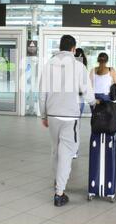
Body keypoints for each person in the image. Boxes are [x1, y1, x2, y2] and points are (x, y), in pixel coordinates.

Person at [39, 35, 97, 207]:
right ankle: (59, 193)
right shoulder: (78, 66)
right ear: (73, 49)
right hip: (70, 117)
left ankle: (57, 181)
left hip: (53, 115)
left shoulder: (49, 65)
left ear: (60, 47)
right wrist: (94, 104)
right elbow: (87, 91)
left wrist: (43, 115)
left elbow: (42, 93)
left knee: (55, 151)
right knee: (66, 154)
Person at [73, 48, 88, 159]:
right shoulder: (83, 69)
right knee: (76, 126)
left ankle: (67, 149)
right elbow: (85, 88)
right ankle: (75, 151)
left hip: (68, 100)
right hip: (79, 100)